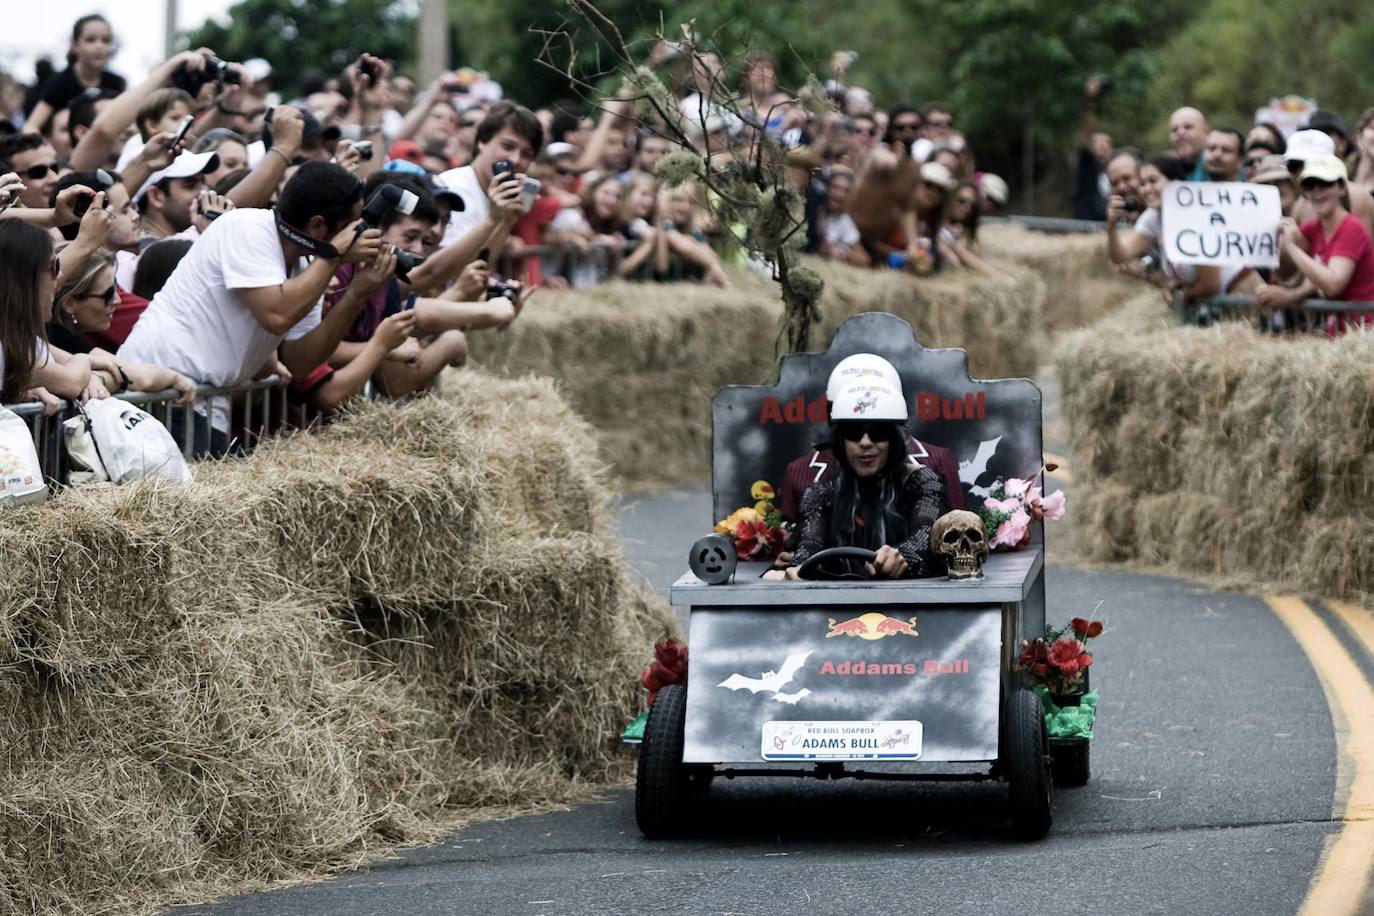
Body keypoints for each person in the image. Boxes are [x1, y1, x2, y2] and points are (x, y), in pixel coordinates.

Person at [117, 161, 384, 454]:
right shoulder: (246, 228)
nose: (359, 235)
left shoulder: (308, 267)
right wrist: (333, 256)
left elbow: (299, 362)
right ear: (318, 226)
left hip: (203, 401)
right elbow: (276, 314)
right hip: (158, 392)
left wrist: (356, 295)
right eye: (352, 227)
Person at [778, 369, 949, 580]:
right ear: (840, 442)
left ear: (894, 440)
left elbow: (926, 535)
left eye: (878, 432)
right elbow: (809, 543)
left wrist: (903, 557)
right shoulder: (819, 494)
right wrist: (799, 569)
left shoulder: (925, 483)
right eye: (854, 432)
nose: (866, 442)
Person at [1260, 155, 1374, 334]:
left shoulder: (1352, 228)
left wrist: (1292, 247)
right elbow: (1309, 274)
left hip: (1362, 336)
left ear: (1342, 188)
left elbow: (1332, 284)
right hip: (1336, 335)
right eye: (1310, 186)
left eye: (1325, 184)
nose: (1317, 192)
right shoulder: (1313, 229)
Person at [23, 14, 126, 136]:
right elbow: (31, 126)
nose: (100, 46)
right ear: (75, 45)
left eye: (106, 40)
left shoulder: (116, 83)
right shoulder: (59, 83)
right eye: (91, 39)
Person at [1168, 107, 1209, 180]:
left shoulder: (1227, 168)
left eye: (1188, 127)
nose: (1180, 133)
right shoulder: (1165, 172)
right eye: (1174, 130)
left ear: (1206, 132)